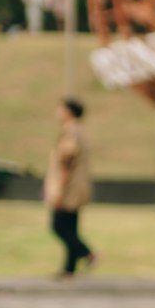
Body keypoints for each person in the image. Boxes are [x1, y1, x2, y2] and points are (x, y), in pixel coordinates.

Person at [44, 99, 96, 278]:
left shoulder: (70, 132)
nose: (57, 112)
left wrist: (59, 190)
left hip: (69, 189)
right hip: (77, 187)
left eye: (60, 109)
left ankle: (87, 253)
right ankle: (69, 269)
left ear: (69, 112)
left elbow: (66, 162)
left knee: (58, 226)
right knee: (71, 228)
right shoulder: (80, 131)